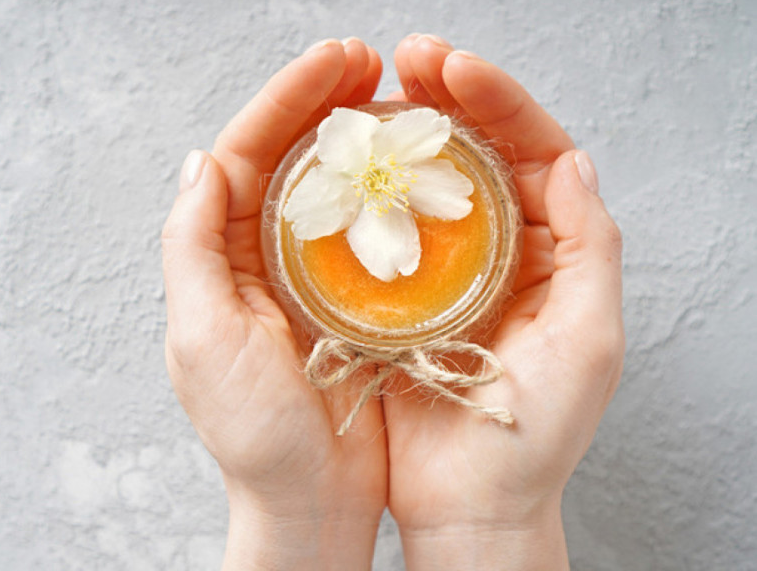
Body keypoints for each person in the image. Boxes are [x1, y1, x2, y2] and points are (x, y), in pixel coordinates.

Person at [161, 34, 624, 570]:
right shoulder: (326, 190)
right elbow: (309, 211)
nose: (381, 181)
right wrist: (489, 524)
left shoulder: (417, 178)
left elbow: (444, 183)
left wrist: (488, 515)